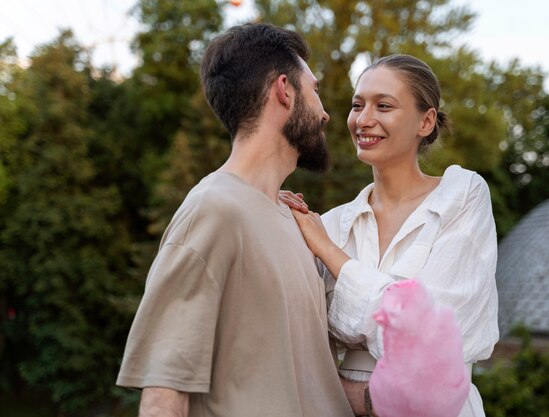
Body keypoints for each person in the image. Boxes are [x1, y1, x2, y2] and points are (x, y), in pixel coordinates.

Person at [116, 23, 354, 417]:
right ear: (284, 90)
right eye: (315, 90)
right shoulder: (213, 210)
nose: (326, 113)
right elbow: (163, 397)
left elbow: (306, 378)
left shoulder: (296, 222)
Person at [281, 54, 499, 417]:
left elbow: (432, 341)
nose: (364, 120)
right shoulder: (332, 224)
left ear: (426, 121)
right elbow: (300, 343)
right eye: (357, 105)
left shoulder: (461, 197)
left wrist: (328, 252)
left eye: (384, 106)